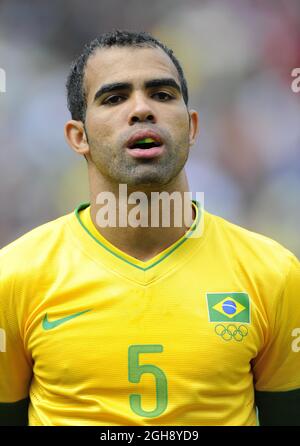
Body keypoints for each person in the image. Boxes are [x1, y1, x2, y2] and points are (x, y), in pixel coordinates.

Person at [0, 30, 299, 427]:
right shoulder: (15, 277)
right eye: (114, 98)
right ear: (78, 136)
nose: (141, 109)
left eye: (162, 95)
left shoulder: (273, 274)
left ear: (191, 127)